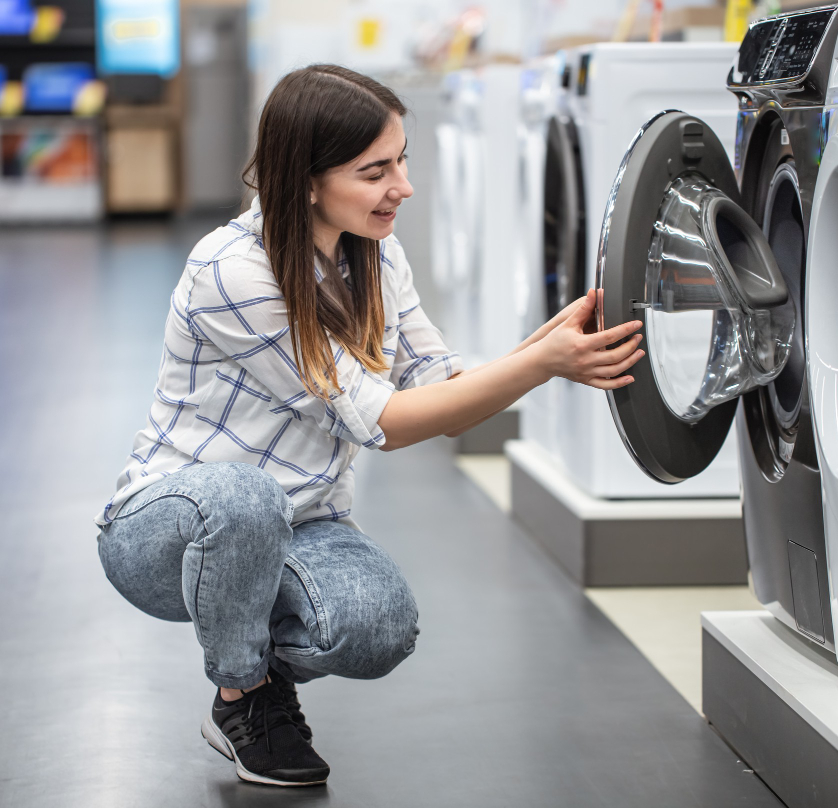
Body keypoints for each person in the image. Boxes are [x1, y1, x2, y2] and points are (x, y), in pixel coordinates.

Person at [93, 64, 644, 788]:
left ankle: (252, 663)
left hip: (302, 521)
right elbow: (385, 422)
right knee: (245, 497)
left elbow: (438, 388)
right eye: (375, 170)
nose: (403, 186)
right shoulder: (232, 272)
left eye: (402, 160)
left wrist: (540, 348)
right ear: (308, 180)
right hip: (167, 531)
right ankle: (243, 697)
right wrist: (540, 364)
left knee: (379, 628)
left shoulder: (377, 256)